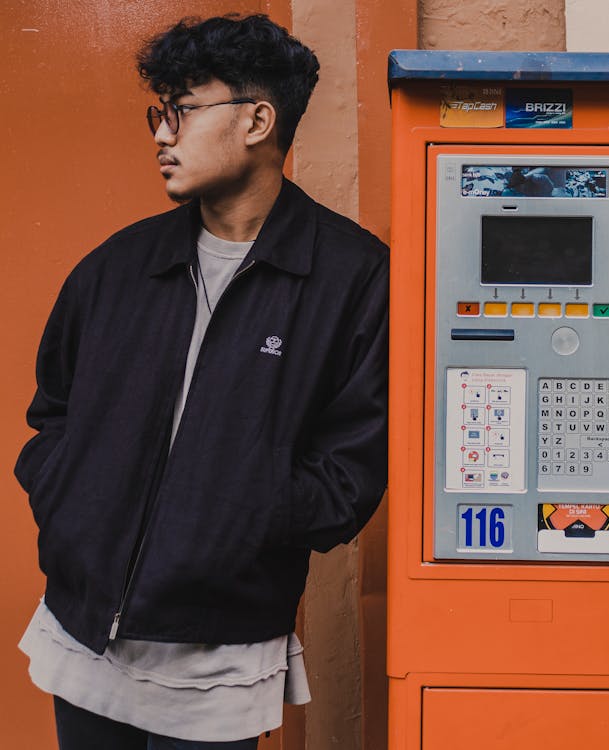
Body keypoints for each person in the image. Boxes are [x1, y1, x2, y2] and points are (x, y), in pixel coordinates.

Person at [14, 13, 388, 750]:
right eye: (160, 113)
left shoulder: (350, 278)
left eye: (181, 111)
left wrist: (248, 520)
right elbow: (51, 417)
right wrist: (73, 506)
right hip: (85, 635)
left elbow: (353, 467)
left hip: (222, 653)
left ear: (257, 119)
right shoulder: (116, 268)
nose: (161, 134)